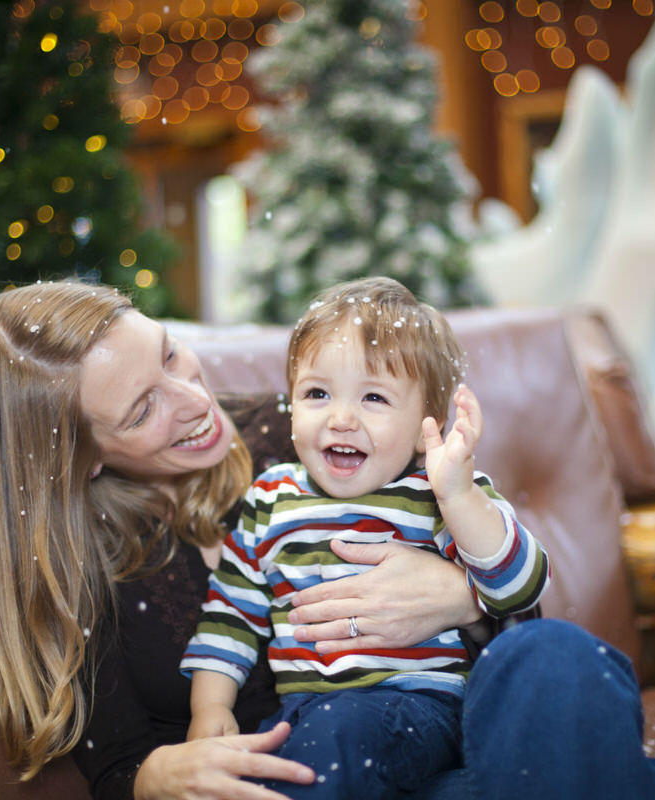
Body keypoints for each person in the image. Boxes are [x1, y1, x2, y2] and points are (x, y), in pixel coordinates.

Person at [0, 279, 655, 800]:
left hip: (462, 728)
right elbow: (121, 768)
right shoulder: (77, 569)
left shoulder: (317, 428)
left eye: (169, 353)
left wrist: (457, 595)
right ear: (79, 456)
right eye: (141, 409)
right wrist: (164, 768)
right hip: (329, 767)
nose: (194, 400)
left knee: (555, 657)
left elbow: (518, 618)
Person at [180, 277, 549, 797]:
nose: (342, 418)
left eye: (374, 397)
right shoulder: (269, 499)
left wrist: (461, 497)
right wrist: (211, 709)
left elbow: (520, 587)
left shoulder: (439, 491)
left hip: (419, 705)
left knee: (335, 742)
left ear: (430, 424)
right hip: (304, 714)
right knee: (260, 768)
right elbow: (231, 614)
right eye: (317, 393)